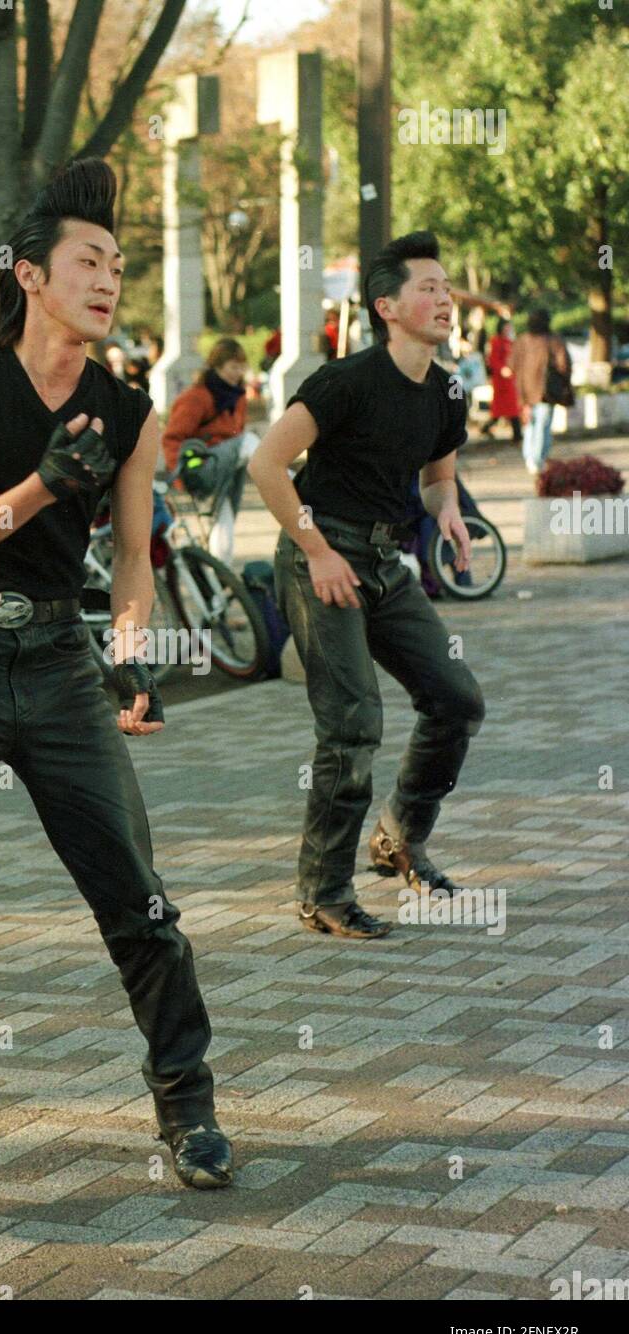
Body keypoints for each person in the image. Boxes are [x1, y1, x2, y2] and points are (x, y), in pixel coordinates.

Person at [0, 157, 232, 1220]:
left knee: (138, 895)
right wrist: (39, 487)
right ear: (29, 275)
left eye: (116, 263)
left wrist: (130, 646)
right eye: (87, 260)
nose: (108, 279)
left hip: (62, 660)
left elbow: (137, 555)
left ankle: (188, 1109)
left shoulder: (129, 408)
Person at [248, 230, 486, 941]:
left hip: (385, 566)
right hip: (322, 557)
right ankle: (323, 891)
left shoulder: (447, 389)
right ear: (386, 305)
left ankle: (400, 837)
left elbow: (438, 477)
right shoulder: (346, 383)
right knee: (353, 726)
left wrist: (449, 517)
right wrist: (316, 550)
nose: (445, 299)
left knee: (456, 698)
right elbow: (266, 465)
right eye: (428, 288)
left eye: (447, 288)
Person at [162, 337, 259, 564]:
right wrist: (181, 479)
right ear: (217, 366)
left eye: (241, 366)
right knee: (247, 442)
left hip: (226, 468)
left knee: (222, 532)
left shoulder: (238, 396)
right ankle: (288, 482)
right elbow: (172, 438)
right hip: (202, 468)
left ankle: (216, 590)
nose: (238, 372)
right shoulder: (197, 397)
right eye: (233, 367)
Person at [510, 307, 571, 475]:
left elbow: (512, 365)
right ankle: (537, 459)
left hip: (525, 390)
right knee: (542, 425)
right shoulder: (553, 340)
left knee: (531, 424)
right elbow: (564, 364)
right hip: (546, 391)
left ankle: (531, 458)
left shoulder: (522, 340)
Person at [481, 316, 521, 441]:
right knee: (503, 407)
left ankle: (515, 433)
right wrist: (501, 369)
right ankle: (517, 434)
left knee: (510, 406)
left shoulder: (510, 342)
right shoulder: (496, 341)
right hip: (501, 379)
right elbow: (493, 359)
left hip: (510, 379)